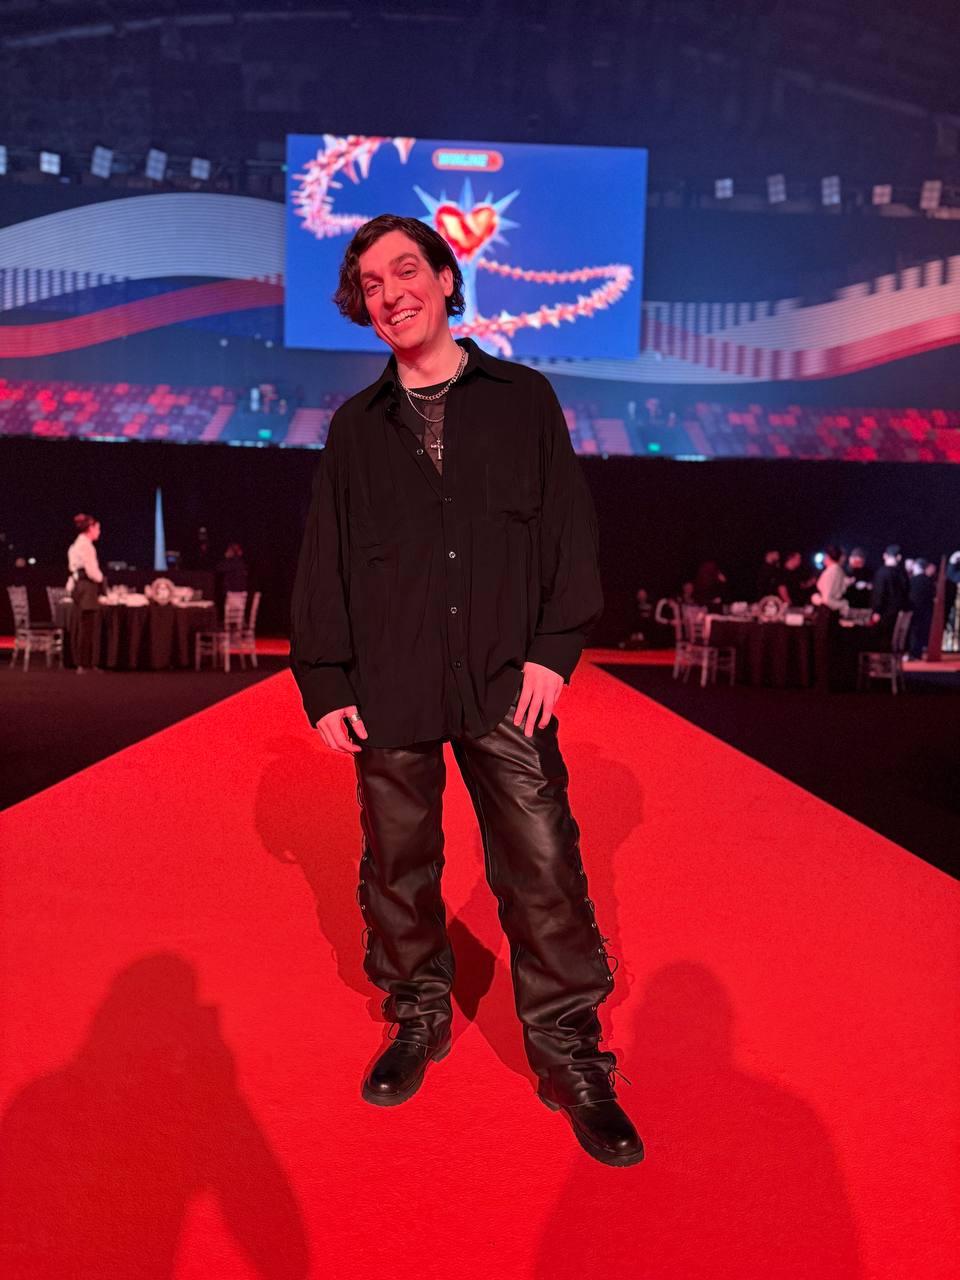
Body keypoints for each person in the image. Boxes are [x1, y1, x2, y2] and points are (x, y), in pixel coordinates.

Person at [290, 214, 642, 1167]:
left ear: (447, 279)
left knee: (544, 867)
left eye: (407, 270)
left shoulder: (523, 399)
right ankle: (418, 1014)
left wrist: (554, 651)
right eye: (371, 283)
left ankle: (572, 1055)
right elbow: (325, 559)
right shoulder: (355, 428)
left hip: (504, 679)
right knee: (398, 867)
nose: (391, 292)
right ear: (362, 307)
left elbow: (568, 528)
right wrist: (324, 679)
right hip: (390, 677)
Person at [66, 513, 104, 672]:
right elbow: (92, 572)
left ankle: (82, 662)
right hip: (87, 587)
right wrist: (101, 579)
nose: (99, 532)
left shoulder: (75, 545)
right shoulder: (86, 546)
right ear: (91, 528)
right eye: (97, 528)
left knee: (83, 624)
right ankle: (85, 662)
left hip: (79, 587)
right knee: (88, 626)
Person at [870, 544, 910, 642]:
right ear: (899, 557)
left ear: (885, 556)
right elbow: (906, 591)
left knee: (880, 640)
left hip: (884, 613)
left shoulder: (881, 573)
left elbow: (879, 593)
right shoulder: (903, 574)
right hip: (898, 613)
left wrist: (876, 611)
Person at [907, 558, 935, 659]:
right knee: (921, 632)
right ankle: (917, 653)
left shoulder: (913, 580)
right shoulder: (929, 581)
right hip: (926, 611)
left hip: (914, 610)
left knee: (914, 632)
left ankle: (912, 653)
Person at [812, 545, 849, 613]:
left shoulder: (832, 572)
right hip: (831, 609)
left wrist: (816, 599)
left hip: (827, 611)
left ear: (828, 557)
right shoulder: (837, 570)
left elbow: (827, 599)